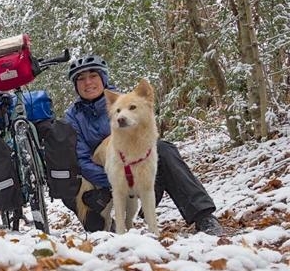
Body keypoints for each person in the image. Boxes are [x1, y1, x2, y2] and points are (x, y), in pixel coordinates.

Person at [61, 54, 224, 236]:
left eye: (93, 76)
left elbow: (147, 137)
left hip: (141, 171)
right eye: (81, 79)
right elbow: (81, 158)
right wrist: (112, 179)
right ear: (76, 86)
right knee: (66, 179)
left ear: (103, 78)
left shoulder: (128, 101)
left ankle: (203, 216)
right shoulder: (73, 117)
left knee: (164, 150)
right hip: (104, 178)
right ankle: (108, 224)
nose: (87, 82)